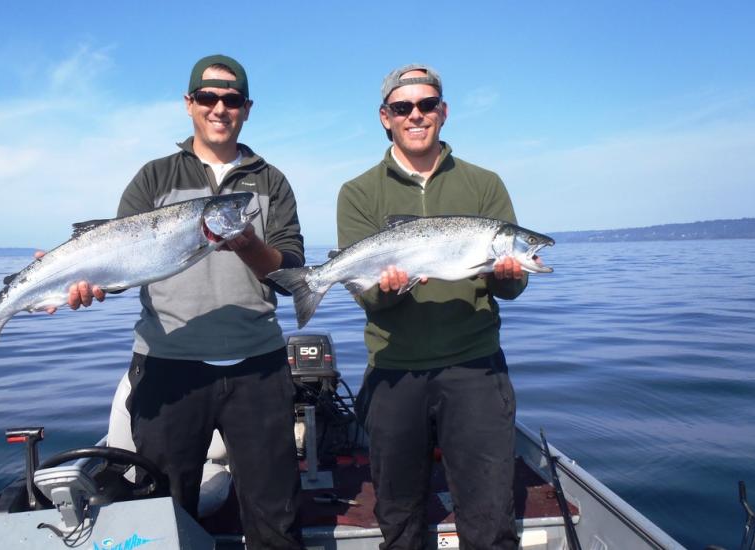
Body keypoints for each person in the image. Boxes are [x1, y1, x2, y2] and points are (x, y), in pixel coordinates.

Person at [57, 54, 305, 549]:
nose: (220, 108)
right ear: (189, 104)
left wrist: (248, 244)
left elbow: (290, 271)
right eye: (209, 98)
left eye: (231, 99)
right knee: (163, 516)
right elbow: (120, 265)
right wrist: (83, 281)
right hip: (168, 366)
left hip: (257, 366)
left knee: (275, 516)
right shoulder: (154, 178)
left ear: (247, 109)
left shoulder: (270, 181)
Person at [336, 64, 528, 550]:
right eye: (403, 108)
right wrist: (388, 288)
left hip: (475, 370)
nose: (415, 115)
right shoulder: (358, 193)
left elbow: (510, 287)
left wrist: (511, 274)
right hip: (395, 372)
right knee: (398, 521)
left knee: (489, 521)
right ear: (386, 117)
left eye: (426, 105)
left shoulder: (484, 184)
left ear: (443, 112)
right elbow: (368, 297)